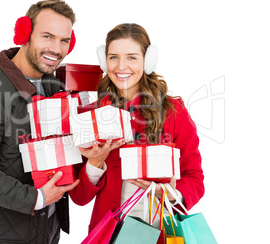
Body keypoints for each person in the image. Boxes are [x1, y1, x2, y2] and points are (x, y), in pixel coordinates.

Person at [0, 0, 80, 244]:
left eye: (64, 40)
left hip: (47, 230)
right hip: (1, 236)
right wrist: (36, 198)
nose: (56, 48)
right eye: (47, 36)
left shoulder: (55, 86)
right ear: (24, 34)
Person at [69, 23, 205, 231]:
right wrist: (95, 163)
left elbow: (194, 177)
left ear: (147, 61)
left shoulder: (173, 111)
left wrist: (171, 194)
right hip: (107, 234)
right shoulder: (90, 116)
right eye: (113, 57)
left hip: (159, 231)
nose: (121, 66)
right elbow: (79, 198)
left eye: (131, 57)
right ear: (104, 62)